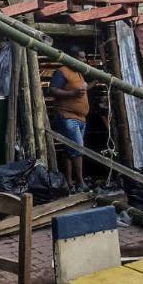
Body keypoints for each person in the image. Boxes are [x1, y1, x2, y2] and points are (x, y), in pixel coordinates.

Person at [49, 45, 90, 193]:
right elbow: (52, 90)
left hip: (80, 118)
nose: (84, 60)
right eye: (81, 57)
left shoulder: (79, 73)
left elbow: (81, 91)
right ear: (72, 58)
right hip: (67, 116)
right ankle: (80, 183)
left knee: (70, 151)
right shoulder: (62, 72)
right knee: (78, 149)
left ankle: (69, 183)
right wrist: (72, 94)